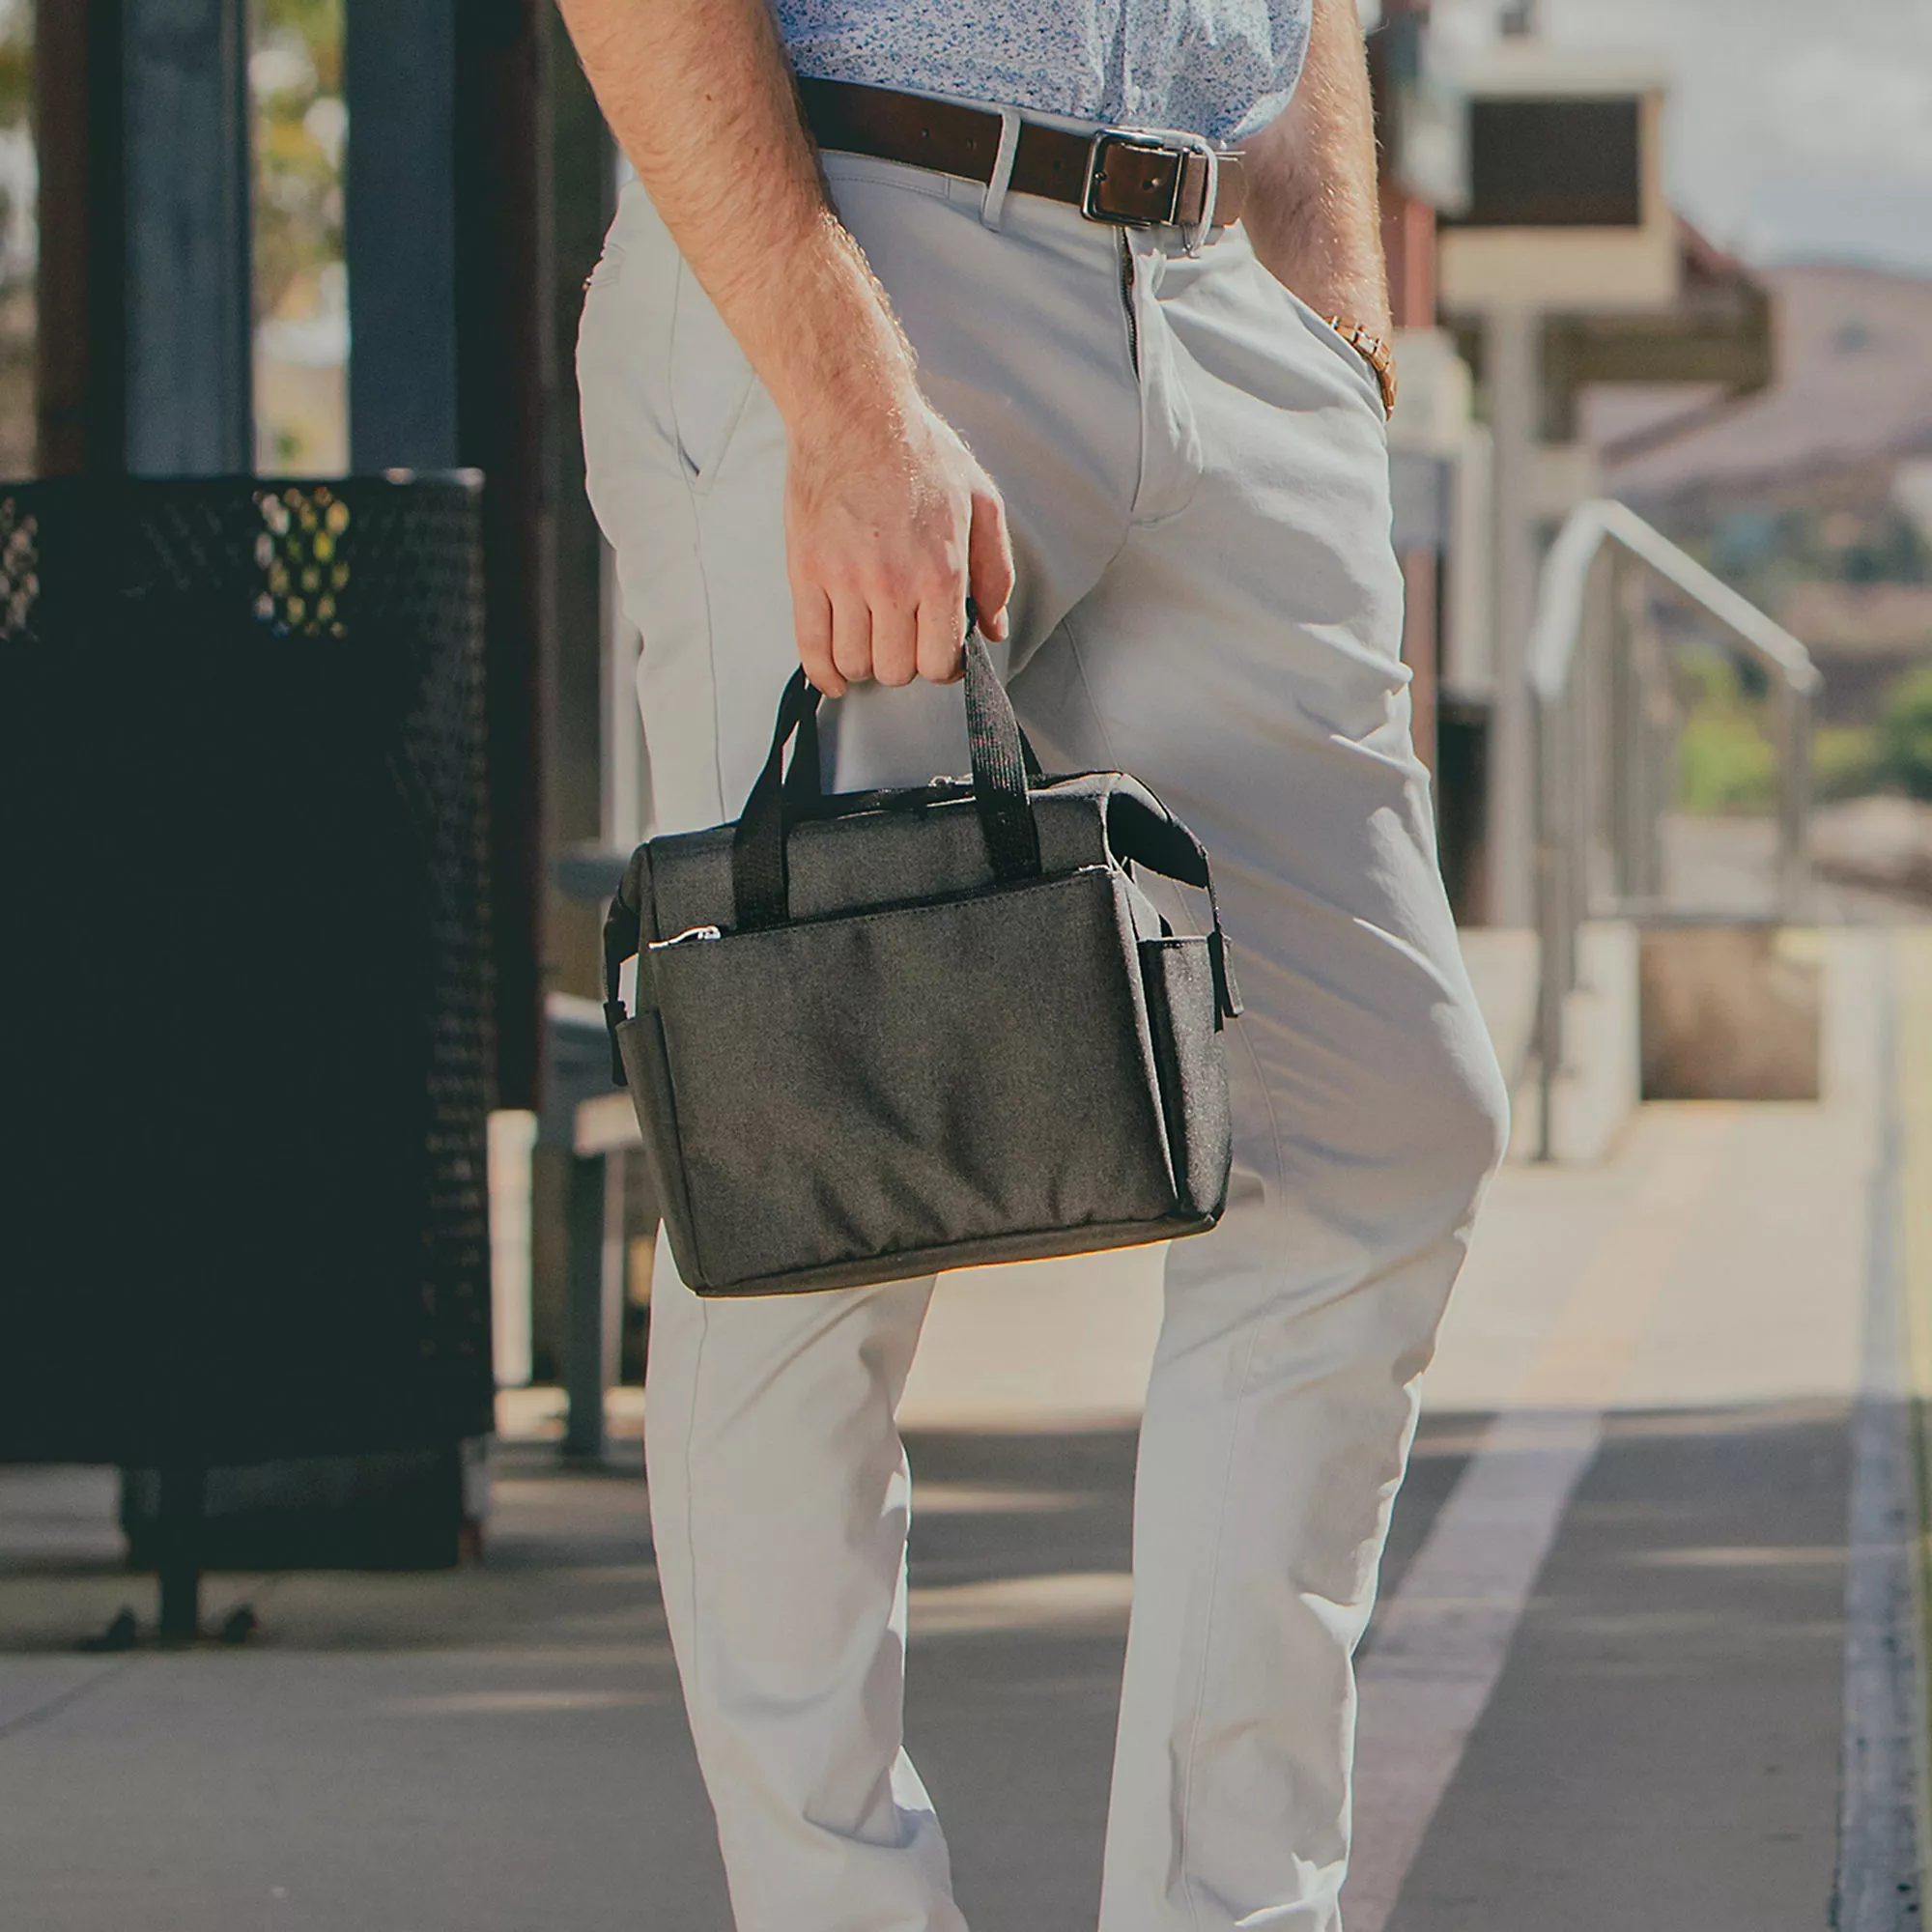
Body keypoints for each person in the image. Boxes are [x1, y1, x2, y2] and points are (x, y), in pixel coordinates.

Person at [559, 1, 1510, 1924]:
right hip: (862, 232)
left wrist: (1331, 296)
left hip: (1218, 285)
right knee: (807, 1150)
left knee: (1382, 1128)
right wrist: (840, 394)